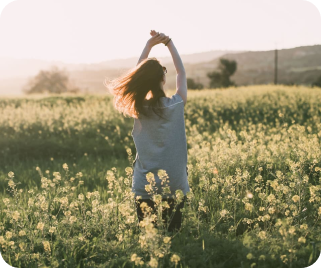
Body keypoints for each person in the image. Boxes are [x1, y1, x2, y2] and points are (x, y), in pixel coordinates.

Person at [107, 30, 190, 233]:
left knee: (149, 240)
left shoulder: (139, 107)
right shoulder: (176, 103)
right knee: (174, 237)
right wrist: (169, 43)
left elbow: (138, 74)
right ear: (163, 78)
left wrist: (148, 45)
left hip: (144, 186)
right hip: (175, 184)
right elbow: (181, 73)